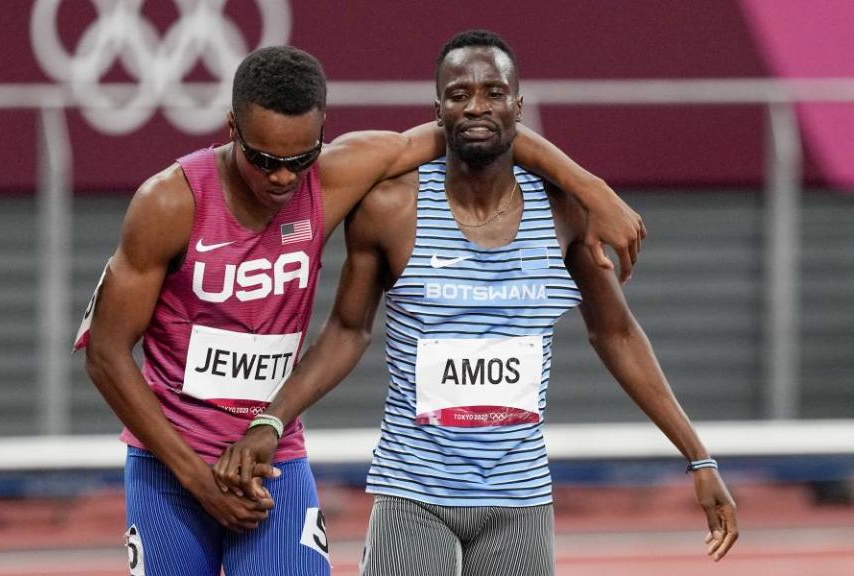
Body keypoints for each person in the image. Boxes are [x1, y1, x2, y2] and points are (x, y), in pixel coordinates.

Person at [77, 44, 645, 576]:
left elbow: (478, 128)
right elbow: (105, 354)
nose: (281, 177)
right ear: (231, 129)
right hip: (171, 465)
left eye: (299, 158)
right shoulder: (169, 202)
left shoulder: (333, 178)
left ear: (323, 135)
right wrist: (197, 480)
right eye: (263, 159)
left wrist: (594, 191)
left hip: (273, 456)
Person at [216, 31, 738, 576]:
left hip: (520, 503)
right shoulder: (390, 209)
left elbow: (617, 334)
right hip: (412, 494)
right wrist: (271, 420)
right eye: (459, 94)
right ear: (436, 108)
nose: (476, 106)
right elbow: (347, 331)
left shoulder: (564, 213)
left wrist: (697, 456)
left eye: (493, 92)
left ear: (519, 104)